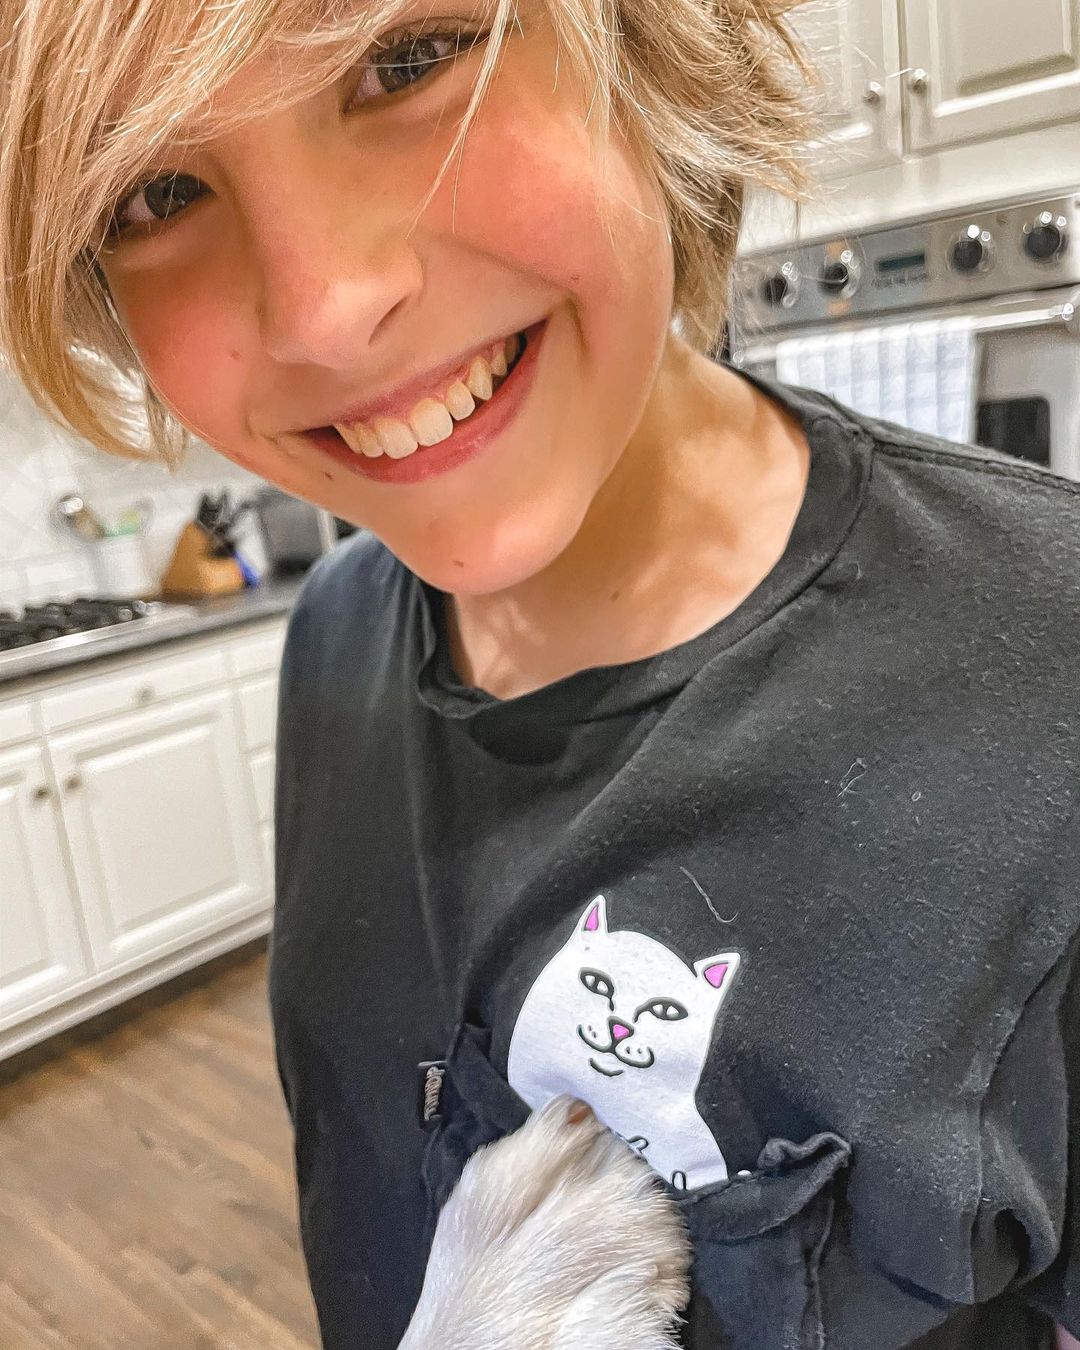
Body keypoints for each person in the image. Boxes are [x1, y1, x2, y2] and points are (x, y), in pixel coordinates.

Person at [1, 0, 1078, 1346]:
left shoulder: (1047, 676)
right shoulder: (333, 638)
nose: (328, 313)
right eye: (155, 192)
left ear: (651, 39)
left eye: (409, 61)